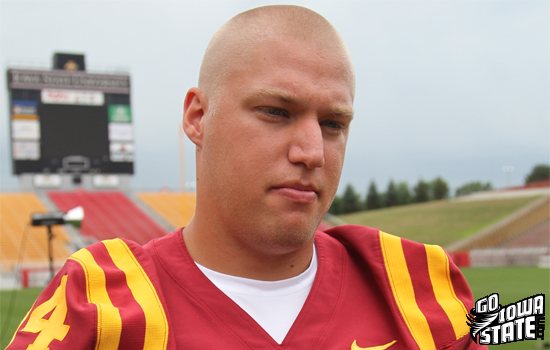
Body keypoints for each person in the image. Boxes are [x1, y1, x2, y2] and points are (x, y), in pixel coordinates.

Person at [8, 5, 484, 349]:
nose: (312, 152)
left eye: (333, 124)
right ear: (198, 117)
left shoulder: (416, 287)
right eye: (276, 112)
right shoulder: (99, 307)